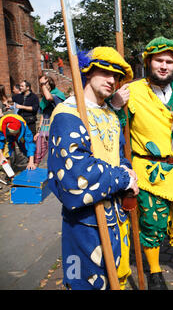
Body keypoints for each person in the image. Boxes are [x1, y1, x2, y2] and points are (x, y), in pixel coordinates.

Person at [111, 36, 173, 290]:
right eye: (158, 61)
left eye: (169, 62)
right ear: (148, 62)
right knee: (151, 223)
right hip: (148, 170)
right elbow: (114, 128)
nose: (164, 66)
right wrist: (116, 105)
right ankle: (154, 272)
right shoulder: (132, 91)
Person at [47, 46, 138, 290]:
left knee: (115, 280)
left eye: (117, 76)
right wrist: (122, 177)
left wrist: (129, 172)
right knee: (85, 283)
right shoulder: (67, 114)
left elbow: (117, 155)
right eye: (106, 73)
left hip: (116, 218)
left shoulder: (109, 113)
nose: (112, 80)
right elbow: (75, 175)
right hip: (85, 222)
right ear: (88, 72)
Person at [34, 75, 66, 165]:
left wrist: (43, 85)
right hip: (44, 129)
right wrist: (38, 131)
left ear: (50, 83)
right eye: (41, 84)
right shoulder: (43, 99)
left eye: (45, 83)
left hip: (56, 128)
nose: (43, 85)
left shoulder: (58, 94)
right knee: (40, 152)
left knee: (55, 154)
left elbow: (49, 97)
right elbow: (43, 116)